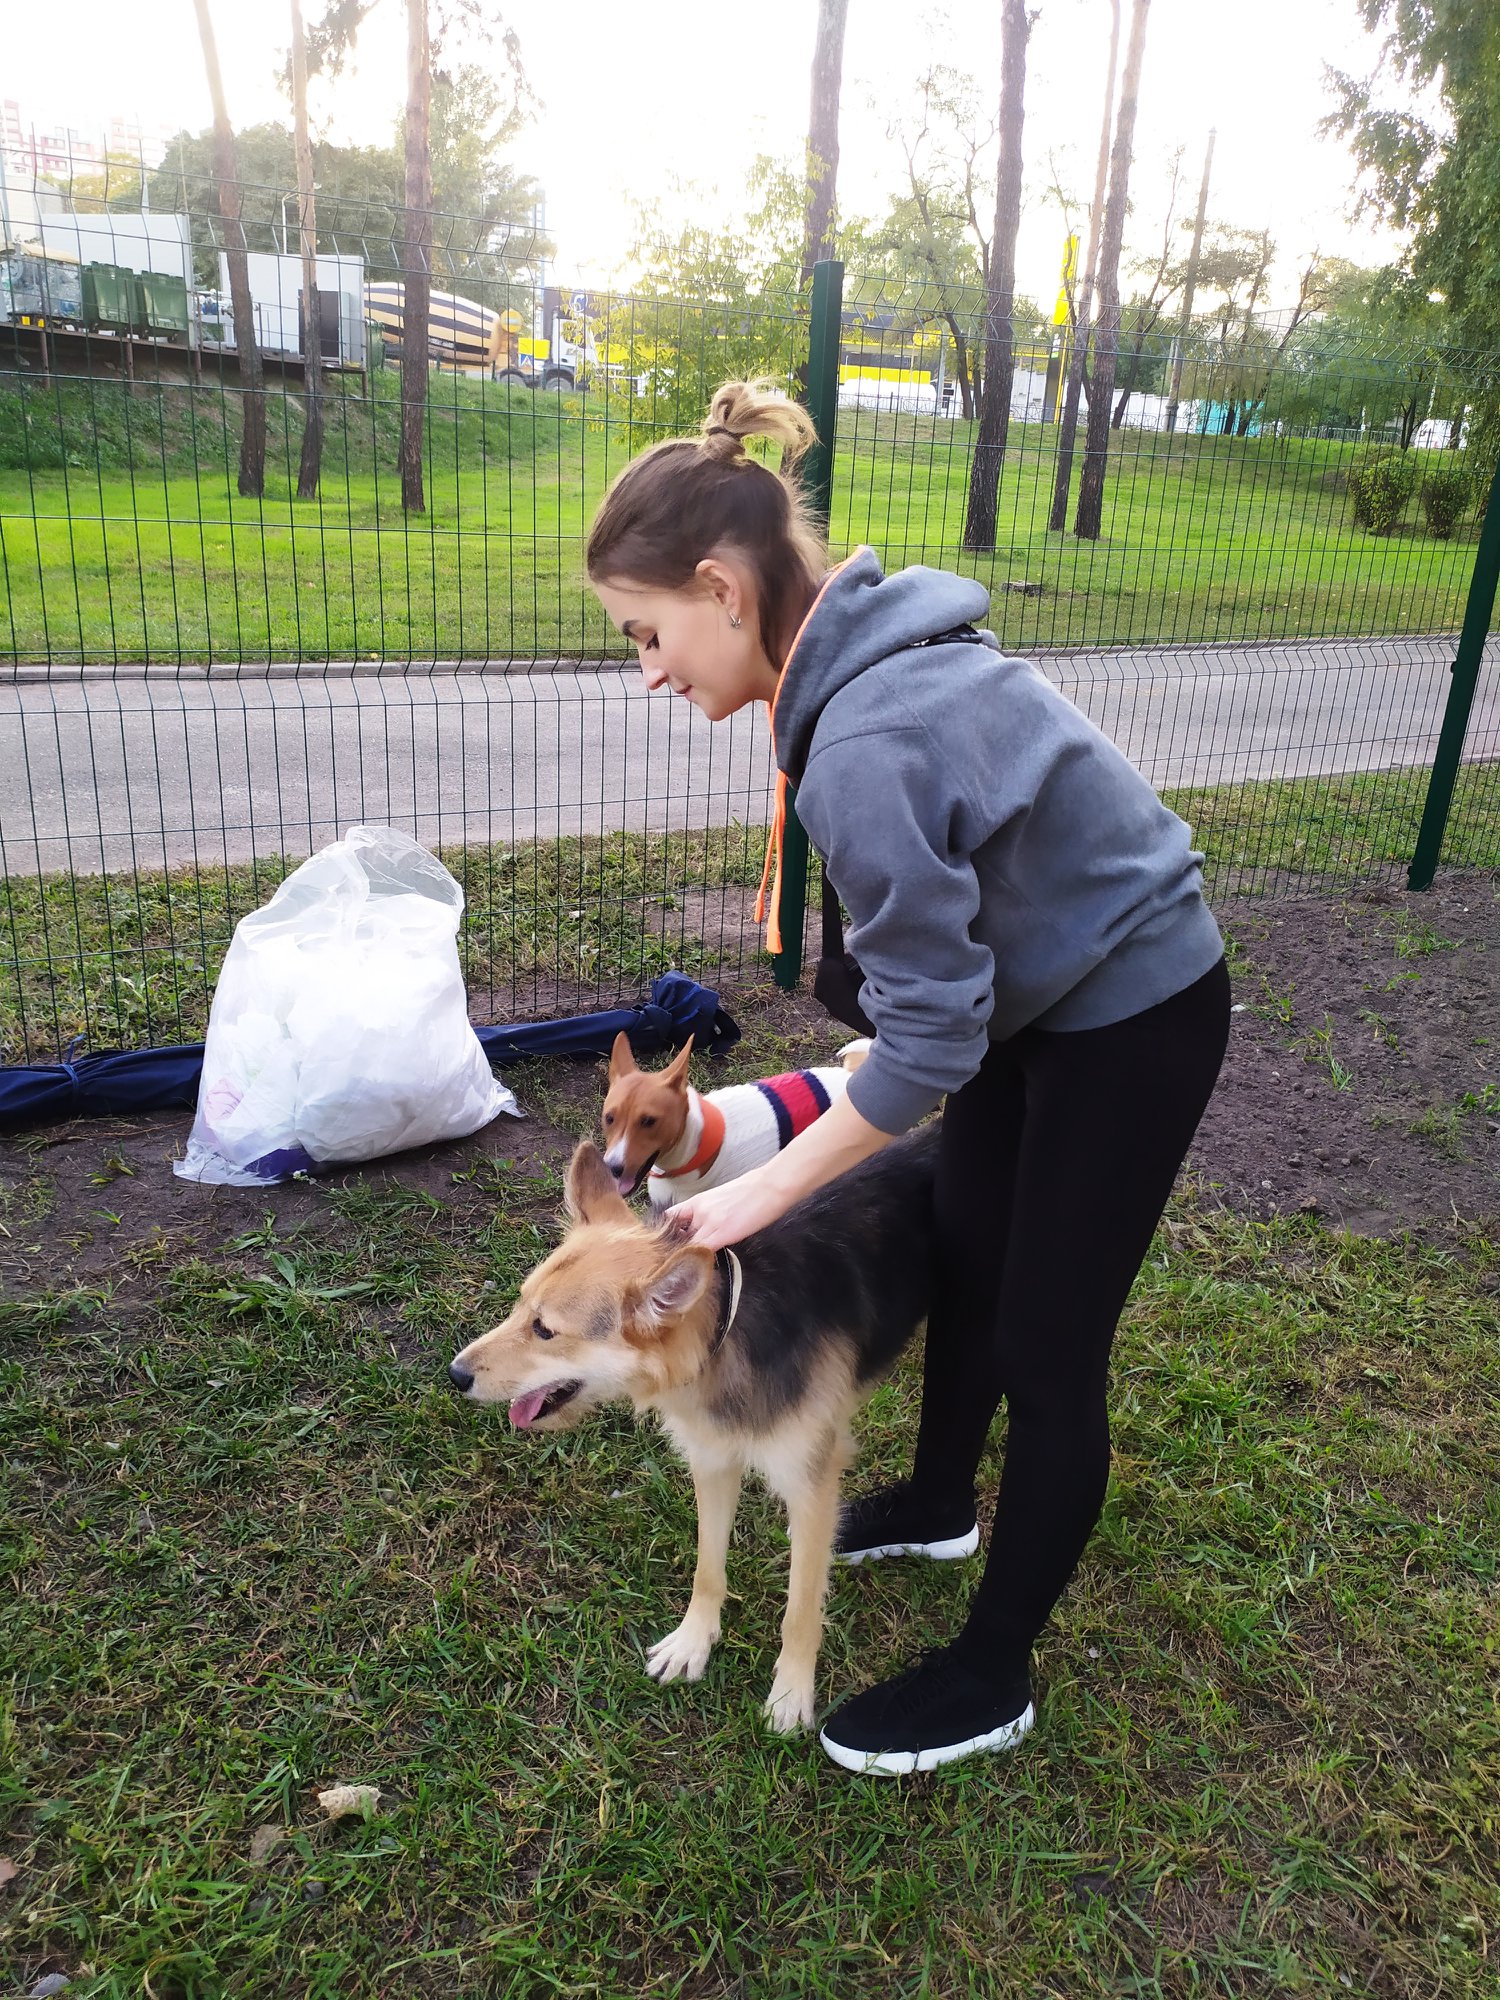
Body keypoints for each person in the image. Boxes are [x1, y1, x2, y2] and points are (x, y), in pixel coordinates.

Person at [586, 380, 1230, 1777]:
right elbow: (941, 991)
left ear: (721, 590)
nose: (649, 671)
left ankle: (992, 1676)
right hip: (1031, 1005)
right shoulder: (855, 667)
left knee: (1049, 1350)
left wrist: (762, 1195)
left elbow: (929, 1049)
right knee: (969, 1249)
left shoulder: (864, 740)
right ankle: (941, 1503)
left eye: (646, 633)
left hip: (1134, 1011)